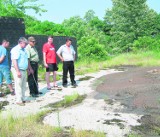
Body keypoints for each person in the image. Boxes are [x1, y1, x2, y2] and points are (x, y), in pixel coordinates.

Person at [11, 37, 28, 106]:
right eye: (25, 43)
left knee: (24, 85)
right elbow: (14, 61)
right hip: (17, 69)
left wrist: (27, 69)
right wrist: (17, 71)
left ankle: (23, 98)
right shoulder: (15, 49)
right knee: (18, 85)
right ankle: (18, 100)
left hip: (23, 70)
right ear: (21, 42)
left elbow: (25, 60)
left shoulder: (24, 50)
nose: (26, 45)